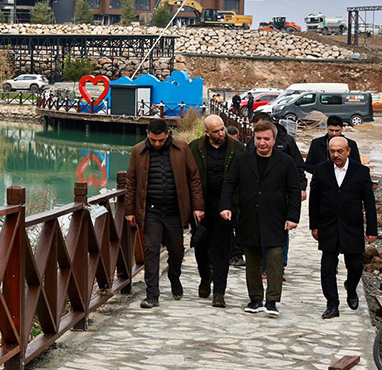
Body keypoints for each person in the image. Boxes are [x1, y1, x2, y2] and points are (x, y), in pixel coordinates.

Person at [220, 120, 301, 317]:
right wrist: (226, 206)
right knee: (253, 261)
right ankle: (255, 298)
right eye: (258, 139)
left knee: (274, 260)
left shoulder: (286, 162)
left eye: (266, 139)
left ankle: (272, 301)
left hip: (276, 218)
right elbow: (230, 183)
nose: (262, 143)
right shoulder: (241, 159)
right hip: (248, 216)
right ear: (253, 139)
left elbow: (294, 191)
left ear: (274, 140)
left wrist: (292, 216)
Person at [125, 118, 205, 309]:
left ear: (168, 134)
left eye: (161, 140)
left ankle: (174, 275)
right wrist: (129, 211)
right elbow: (131, 182)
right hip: (150, 210)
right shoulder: (138, 151)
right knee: (151, 250)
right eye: (153, 140)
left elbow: (194, 178)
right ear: (148, 135)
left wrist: (198, 206)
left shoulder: (182, 148)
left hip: (174, 210)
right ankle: (152, 294)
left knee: (176, 250)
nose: (157, 144)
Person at [310, 137, 377, 319]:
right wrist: (314, 226)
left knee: (355, 265)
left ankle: (352, 287)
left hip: (352, 227)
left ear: (348, 151)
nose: (336, 154)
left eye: (340, 151)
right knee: (327, 268)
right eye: (332, 151)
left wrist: (372, 230)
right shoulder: (320, 170)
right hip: (328, 226)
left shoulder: (361, 172)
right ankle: (332, 304)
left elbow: (369, 202)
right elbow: (314, 200)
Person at [190, 115, 246, 308]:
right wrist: (193, 205)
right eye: (216, 131)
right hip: (201, 208)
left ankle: (219, 293)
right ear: (207, 132)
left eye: (222, 129)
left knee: (222, 250)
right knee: (200, 247)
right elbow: (189, 177)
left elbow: (242, 181)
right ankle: (205, 277)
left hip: (226, 208)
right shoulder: (195, 148)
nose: (221, 133)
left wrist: (234, 205)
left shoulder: (237, 149)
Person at [250, 111, 307, 280]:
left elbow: (298, 166)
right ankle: (263, 265)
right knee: (259, 229)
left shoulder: (287, 141)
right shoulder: (252, 143)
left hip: (281, 194)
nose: (261, 141)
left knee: (282, 229)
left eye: (264, 135)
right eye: (256, 134)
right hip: (259, 195)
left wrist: (301, 187)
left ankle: (280, 264)